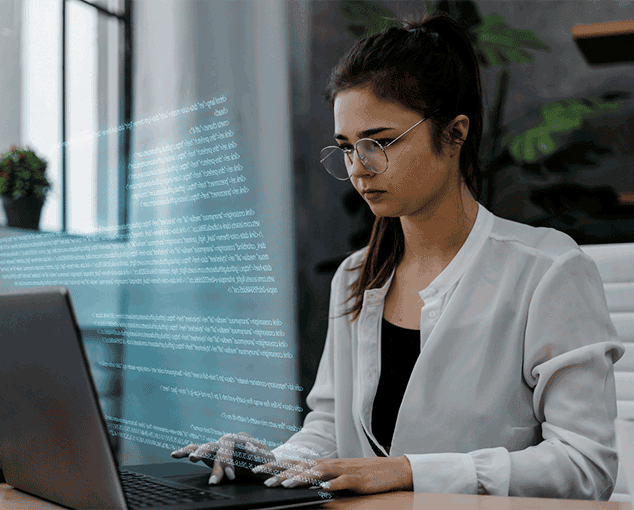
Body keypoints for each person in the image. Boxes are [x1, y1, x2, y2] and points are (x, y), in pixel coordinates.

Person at [172, 13, 624, 499]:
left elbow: (586, 465)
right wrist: (271, 463)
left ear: (454, 134)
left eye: (381, 142)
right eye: (347, 148)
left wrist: (409, 471)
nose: (359, 169)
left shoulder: (548, 270)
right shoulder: (355, 277)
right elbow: (328, 429)